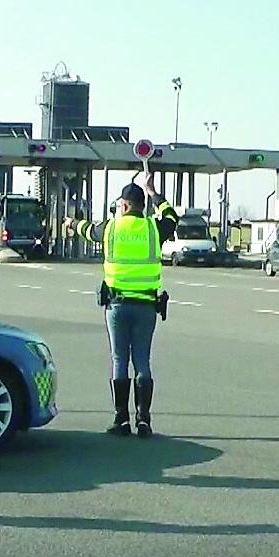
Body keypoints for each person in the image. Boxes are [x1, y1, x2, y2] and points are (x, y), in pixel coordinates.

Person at [66, 171, 178, 438]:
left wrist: (71, 223)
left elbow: (88, 231)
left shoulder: (112, 228)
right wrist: (154, 193)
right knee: (142, 361)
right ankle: (144, 419)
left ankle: (121, 419)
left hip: (117, 306)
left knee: (119, 359)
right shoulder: (153, 228)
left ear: (125, 205)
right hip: (147, 306)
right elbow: (172, 218)